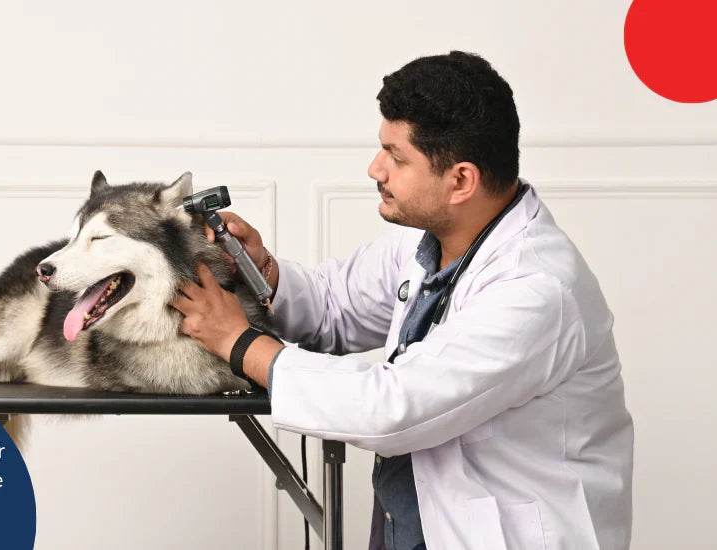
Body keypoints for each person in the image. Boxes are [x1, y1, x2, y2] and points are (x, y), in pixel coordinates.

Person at [170, 51, 634, 550]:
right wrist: (261, 271)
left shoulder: (536, 289)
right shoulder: (434, 241)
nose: (376, 168)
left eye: (396, 156)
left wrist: (238, 343)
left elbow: (394, 409)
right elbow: (334, 303)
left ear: (461, 180)